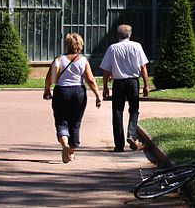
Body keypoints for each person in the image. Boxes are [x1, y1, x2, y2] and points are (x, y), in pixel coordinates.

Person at [43, 32, 102, 163]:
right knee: (75, 122)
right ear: (80, 45)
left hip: (61, 91)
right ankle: (71, 151)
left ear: (67, 45)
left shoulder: (59, 59)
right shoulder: (83, 60)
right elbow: (90, 80)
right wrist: (98, 95)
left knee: (61, 120)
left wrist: (47, 90)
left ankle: (64, 144)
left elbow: (49, 78)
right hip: (78, 92)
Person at [99, 24, 150, 152]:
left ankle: (119, 144)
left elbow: (106, 70)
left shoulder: (112, 48)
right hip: (133, 82)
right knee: (134, 109)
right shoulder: (136, 46)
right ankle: (131, 134)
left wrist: (105, 87)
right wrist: (146, 85)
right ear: (130, 35)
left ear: (117, 35)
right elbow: (143, 67)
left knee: (117, 112)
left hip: (118, 83)